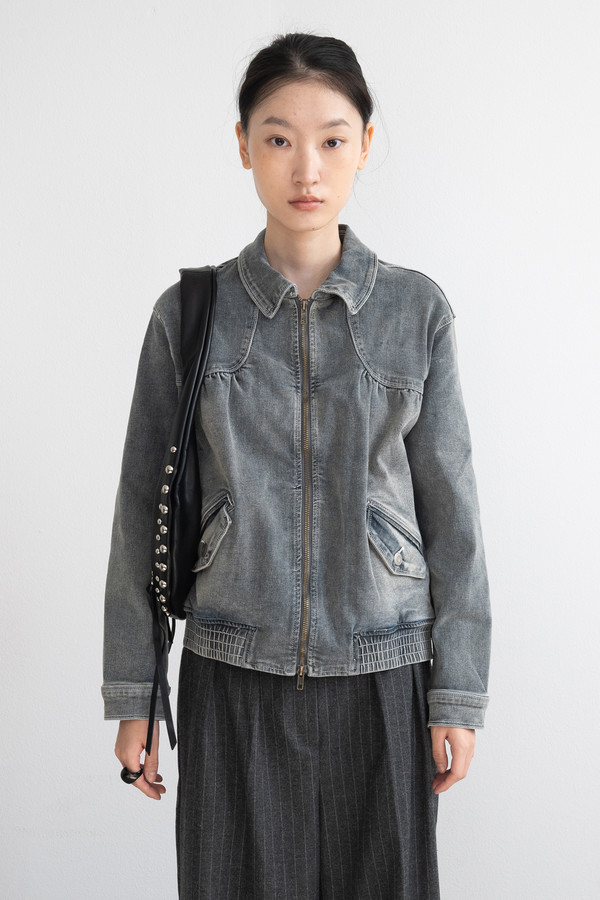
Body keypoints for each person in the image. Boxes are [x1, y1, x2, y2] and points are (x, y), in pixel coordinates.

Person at [102, 31, 492, 900]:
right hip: (232, 671)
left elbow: (454, 516)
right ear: (243, 145)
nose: (306, 168)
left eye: (332, 139)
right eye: (278, 138)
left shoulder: (416, 311)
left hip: (385, 670)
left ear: (365, 144)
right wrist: (137, 693)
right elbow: (141, 513)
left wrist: (458, 694)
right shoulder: (189, 314)